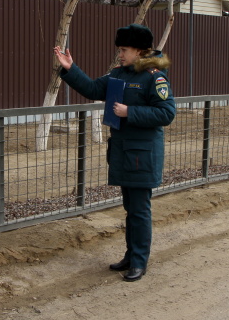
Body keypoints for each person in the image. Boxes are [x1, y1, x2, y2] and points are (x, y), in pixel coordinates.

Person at [53, 24, 175, 281]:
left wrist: (130, 112)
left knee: (140, 210)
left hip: (143, 155)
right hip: (124, 152)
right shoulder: (119, 74)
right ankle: (131, 256)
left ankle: (139, 261)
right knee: (131, 208)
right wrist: (70, 68)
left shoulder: (155, 77)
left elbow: (167, 113)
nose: (120, 54)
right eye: (119, 49)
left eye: (124, 49)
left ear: (140, 51)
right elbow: (94, 89)